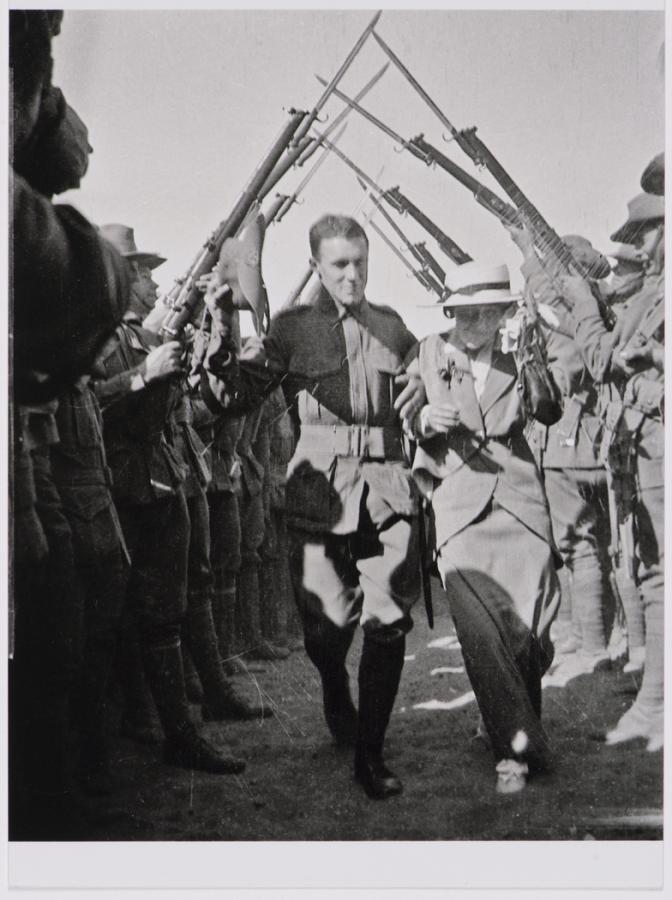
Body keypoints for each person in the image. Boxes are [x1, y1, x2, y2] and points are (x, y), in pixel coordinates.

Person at [198, 214, 425, 800]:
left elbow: (426, 390)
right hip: (318, 499)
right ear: (318, 267)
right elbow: (233, 396)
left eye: (360, 263)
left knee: (387, 623)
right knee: (326, 635)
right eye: (339, 265)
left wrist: (426, 393)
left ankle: (370, 755)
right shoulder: (294, 331)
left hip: (385, 494)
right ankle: (332, 689)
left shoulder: (394, 329)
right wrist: (222, 324)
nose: (352, 276)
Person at [92, 224, 244, 774]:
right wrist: (140, 377)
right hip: (123, 489)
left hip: (163, 482)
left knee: (166, 612)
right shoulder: (90, 338)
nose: (150, 282)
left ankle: (173, 729)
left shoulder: (143, 338)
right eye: (140, 271)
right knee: (130, 616)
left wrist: (218, 319)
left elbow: (207, 396)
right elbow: (84, 405)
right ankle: (140, 728)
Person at [404, 262, 561, 794]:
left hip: (518, 502)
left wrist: (532, 352)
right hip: (458, 504)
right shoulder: (428, 351)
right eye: (464, 313)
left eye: (485, 313)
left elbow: (549, 411)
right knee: (480, 632)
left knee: (528, 629)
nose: (473, 324)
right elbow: (404, 411)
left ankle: (504, 716)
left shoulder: (519, 353)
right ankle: (515, 748)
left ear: (502, 313)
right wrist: (424, 421)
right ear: (451, 312)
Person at [561, 182, 664, 753]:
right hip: (642, 443)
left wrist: (581, 304)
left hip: (657, 439)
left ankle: (655, 703)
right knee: (652, 571)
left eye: (648, 233)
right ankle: (654, 700)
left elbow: (603, 362)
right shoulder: (654, 293)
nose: (641, 248)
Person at [505, 225, 618, 682]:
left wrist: (529, 255)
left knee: (578, 543)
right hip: (584, 442)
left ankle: (594, 641)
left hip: (571, 443)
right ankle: (588, 631)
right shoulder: (581, 317)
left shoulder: (568, 321)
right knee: (589, 545)